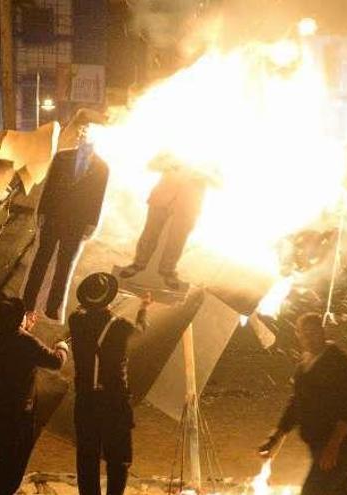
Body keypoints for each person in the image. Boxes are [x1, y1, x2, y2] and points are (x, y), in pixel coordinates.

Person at [259, 313, 347, 495]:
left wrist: (333, 446)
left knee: (312, 491)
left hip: (342, 447)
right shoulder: (304, 365)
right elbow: (297, 403)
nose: (309, 339)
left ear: (323, 332)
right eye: (304, 334)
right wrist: (275, 437)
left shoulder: (341, 364)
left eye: (313, 333)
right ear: (298, 335)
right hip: (319, 446)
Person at [22, 116, 110, 321]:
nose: (85, 139)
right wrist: (42, 212)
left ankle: (53, 307)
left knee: (64, 265)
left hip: (77, 223)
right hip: (54, 217)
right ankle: (28, 302)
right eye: (84, 134)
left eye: (90, 136)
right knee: (41, 260)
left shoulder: (102, 168)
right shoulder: (62, 158)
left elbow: (98, 197)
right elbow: (49, 188)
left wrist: (91, 224)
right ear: (79, 137)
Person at [68, 273, 149, 495]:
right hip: (115, 400)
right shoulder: (121, 326)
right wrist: (143, 308)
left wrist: (93, 302)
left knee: (87, 457)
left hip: (85, 400)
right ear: (109, 300)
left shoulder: (75, 322)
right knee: (118, 458)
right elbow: (141, 331)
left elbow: (79, 310)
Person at [0, 297, 69, 495]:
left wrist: (24, 327)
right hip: (17, 415)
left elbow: (17, 346)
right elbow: (55, 362)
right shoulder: (25, 341)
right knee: (15, 465)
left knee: (4, 461)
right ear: (15, 319)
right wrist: (62, 346)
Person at [119, 160, 218, 289]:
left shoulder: (213, 160)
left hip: (188, 205)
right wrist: (168, 164)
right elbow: (152, 165)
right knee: (149, 233)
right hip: (161, 198)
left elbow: (218, 182)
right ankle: (138, 264)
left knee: (177, 239)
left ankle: (167, 271)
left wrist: (205, 175)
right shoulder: (174, 148)